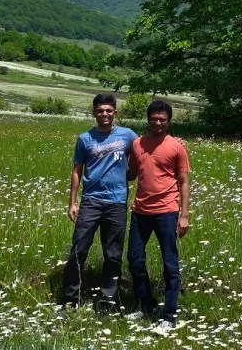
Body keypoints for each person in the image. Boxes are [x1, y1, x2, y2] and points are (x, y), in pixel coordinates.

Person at [61, 93, 138, 315]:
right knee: (78, 249)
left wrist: (177, 142)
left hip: (117, 202)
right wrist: (72, 202)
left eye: (109, 110)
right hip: (91, 201)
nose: (105, 114)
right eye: (100, 110)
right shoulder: (85, 138)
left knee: (113, 254)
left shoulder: (128, 135)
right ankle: (70, 301)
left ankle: (107, 302)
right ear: (94, 112)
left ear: (115, 112)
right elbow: (77, 170)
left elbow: (148, 149)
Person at [126, 99, 190, 333]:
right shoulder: (137, 144)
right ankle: (146, 304)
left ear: (169, 121)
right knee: (134, 260)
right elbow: (131, 174)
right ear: (148, 120)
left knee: (170, 265)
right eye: (154, 119)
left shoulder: (177, 146)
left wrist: (184, 215)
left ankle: (170, 315)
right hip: (140, 211)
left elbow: (183, 182)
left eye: (163, 119)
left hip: (167, 212)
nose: (158, 122)